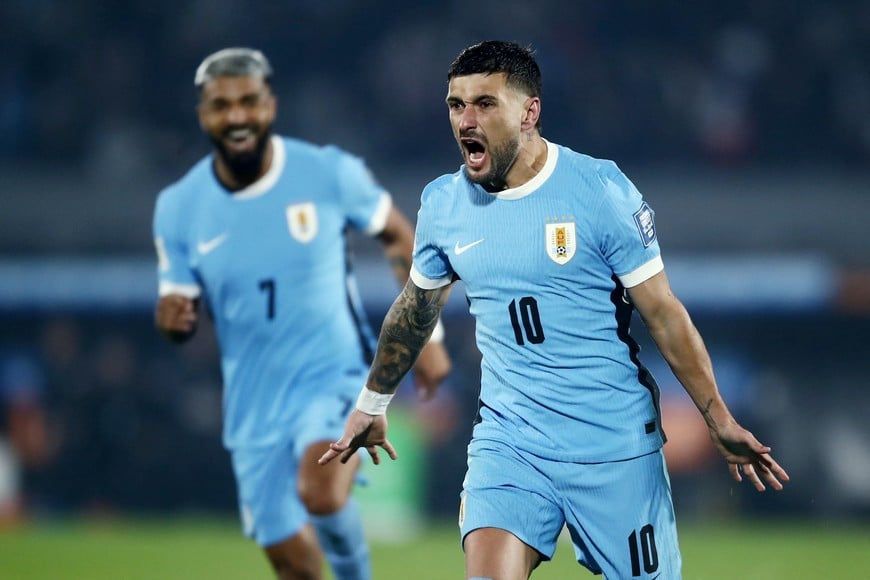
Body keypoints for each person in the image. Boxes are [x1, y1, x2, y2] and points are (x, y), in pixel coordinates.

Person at [319, 40, 789, 579]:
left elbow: (663, 314)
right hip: (510, 444)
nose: (466, 120)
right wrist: (372, 402)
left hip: (613, 447)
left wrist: (718, 418)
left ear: (529, 112)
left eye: (485, 104)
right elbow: (414, 312)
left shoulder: (599, 190)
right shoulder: (444, 204)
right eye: (456, 105)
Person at [152, 47, 451, 580]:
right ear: (203, 115)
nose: (237, 116)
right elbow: (175, 304)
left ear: (270, 105)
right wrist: (171, 319)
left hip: (332, 373)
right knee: (292, 563)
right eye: (221, 105)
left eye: (249, 101)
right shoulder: (179, 207)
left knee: (320, 492)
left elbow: (398, 235)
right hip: (252, 402)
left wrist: (429, 338)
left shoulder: (326, 172)